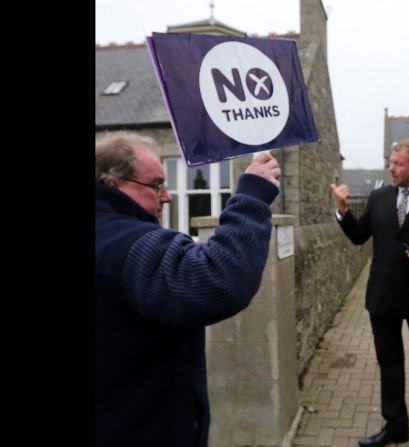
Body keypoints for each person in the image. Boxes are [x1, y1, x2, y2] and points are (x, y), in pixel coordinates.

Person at [95, 131, 282, 447]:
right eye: (156, 185)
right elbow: (219, 281)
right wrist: (251, 196)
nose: (167, 196)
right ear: (114, 185)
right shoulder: (131, 244)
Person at [330, 139, 409, 446]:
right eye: (391, 162)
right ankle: (395, 425)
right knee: (390, 363)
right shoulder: (380, 196)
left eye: (398, 164)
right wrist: (343, 210)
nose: (391, 168)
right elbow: (359, 237)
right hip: (382, 296)